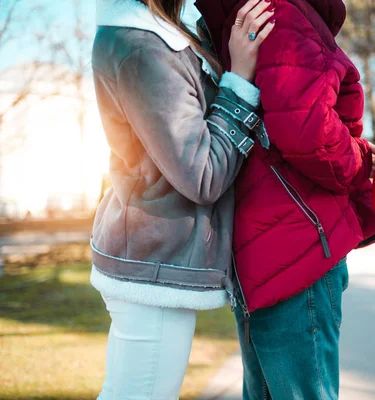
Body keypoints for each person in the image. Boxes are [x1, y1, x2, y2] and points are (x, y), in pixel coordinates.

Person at [196, 0, 375, 398]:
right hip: (298, 250)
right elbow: (309, 132)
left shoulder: (235, 18)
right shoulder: (282, 12)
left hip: (261, 252)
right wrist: (359, 157)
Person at [89, 0, 274, 398]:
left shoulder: (166, 32)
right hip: (154, 257)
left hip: (153, 253)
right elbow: (202, 175)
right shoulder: (144, 45)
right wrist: (240, 78)